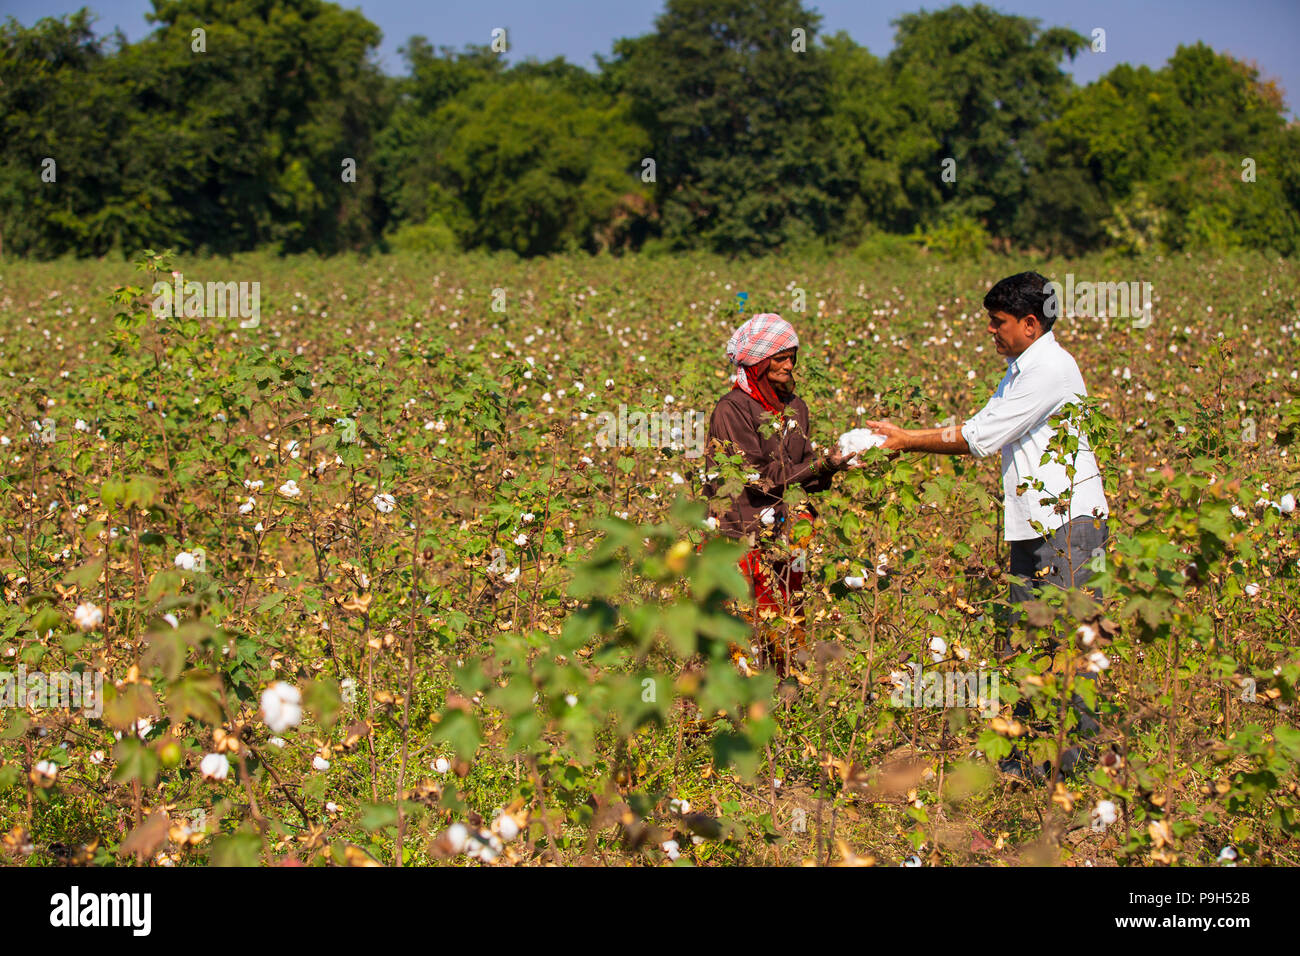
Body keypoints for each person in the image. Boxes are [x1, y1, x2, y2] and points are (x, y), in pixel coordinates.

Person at [865, 271, 1110, 780]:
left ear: (1029, 323)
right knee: (1028, 643)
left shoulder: (1051, 369)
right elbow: (981, 426)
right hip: (1036, 525)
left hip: (1067, 528)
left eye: (998, 323)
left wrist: (906, 439)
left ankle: (1072, 775)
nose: (991, 333)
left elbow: (981, 436)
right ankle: (1031, 765)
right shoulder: (1021, 368)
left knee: (1066, 649)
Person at [702, 313, 853, 675]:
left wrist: (834, 464)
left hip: (790, 535)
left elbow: (799, 477)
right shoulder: (732, 408)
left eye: (792, 357)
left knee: (789, 615)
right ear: (756, 363)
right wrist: (821, 465)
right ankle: (728, 708)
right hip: (741, 532)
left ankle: (788, 696)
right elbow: (755, 477)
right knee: (738, 624)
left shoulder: (796, 407)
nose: (789, 366)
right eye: (779, 358)